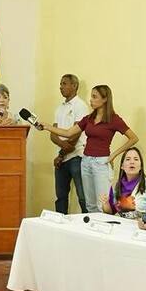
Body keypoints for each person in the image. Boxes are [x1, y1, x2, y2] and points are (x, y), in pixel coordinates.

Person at [39, 84, 137, 207]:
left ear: (105, 99)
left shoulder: (114, 119)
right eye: (91, 96)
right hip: (86, 161)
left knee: (103, 204)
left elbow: (133, 138)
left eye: (94, 97)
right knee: (90, 204)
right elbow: (68, 133)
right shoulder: (89, 118)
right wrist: (47, 127)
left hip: (101, 163)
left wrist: (113, 155)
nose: (91, 100)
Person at [51, 74, 90, 214]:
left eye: (64, 83)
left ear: (74, 86)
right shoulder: (59, 108)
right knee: (60, 197)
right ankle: (60, 227)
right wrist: (61, 153)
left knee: (83, 197)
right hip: (62, 157)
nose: (61, 87)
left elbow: (74, 134)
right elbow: (53, 134)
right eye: (60, 84)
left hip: (77, 156)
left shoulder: (81, 106)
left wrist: (61, 154)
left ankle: (87, 227)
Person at [100, 148, 146, 217]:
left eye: (136, 159)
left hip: (141, 225)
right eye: (128, 159)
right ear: (122, 166)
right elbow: (110, 212)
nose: (132, 162)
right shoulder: (116, 185)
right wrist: (105, 203)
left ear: (141, 166)